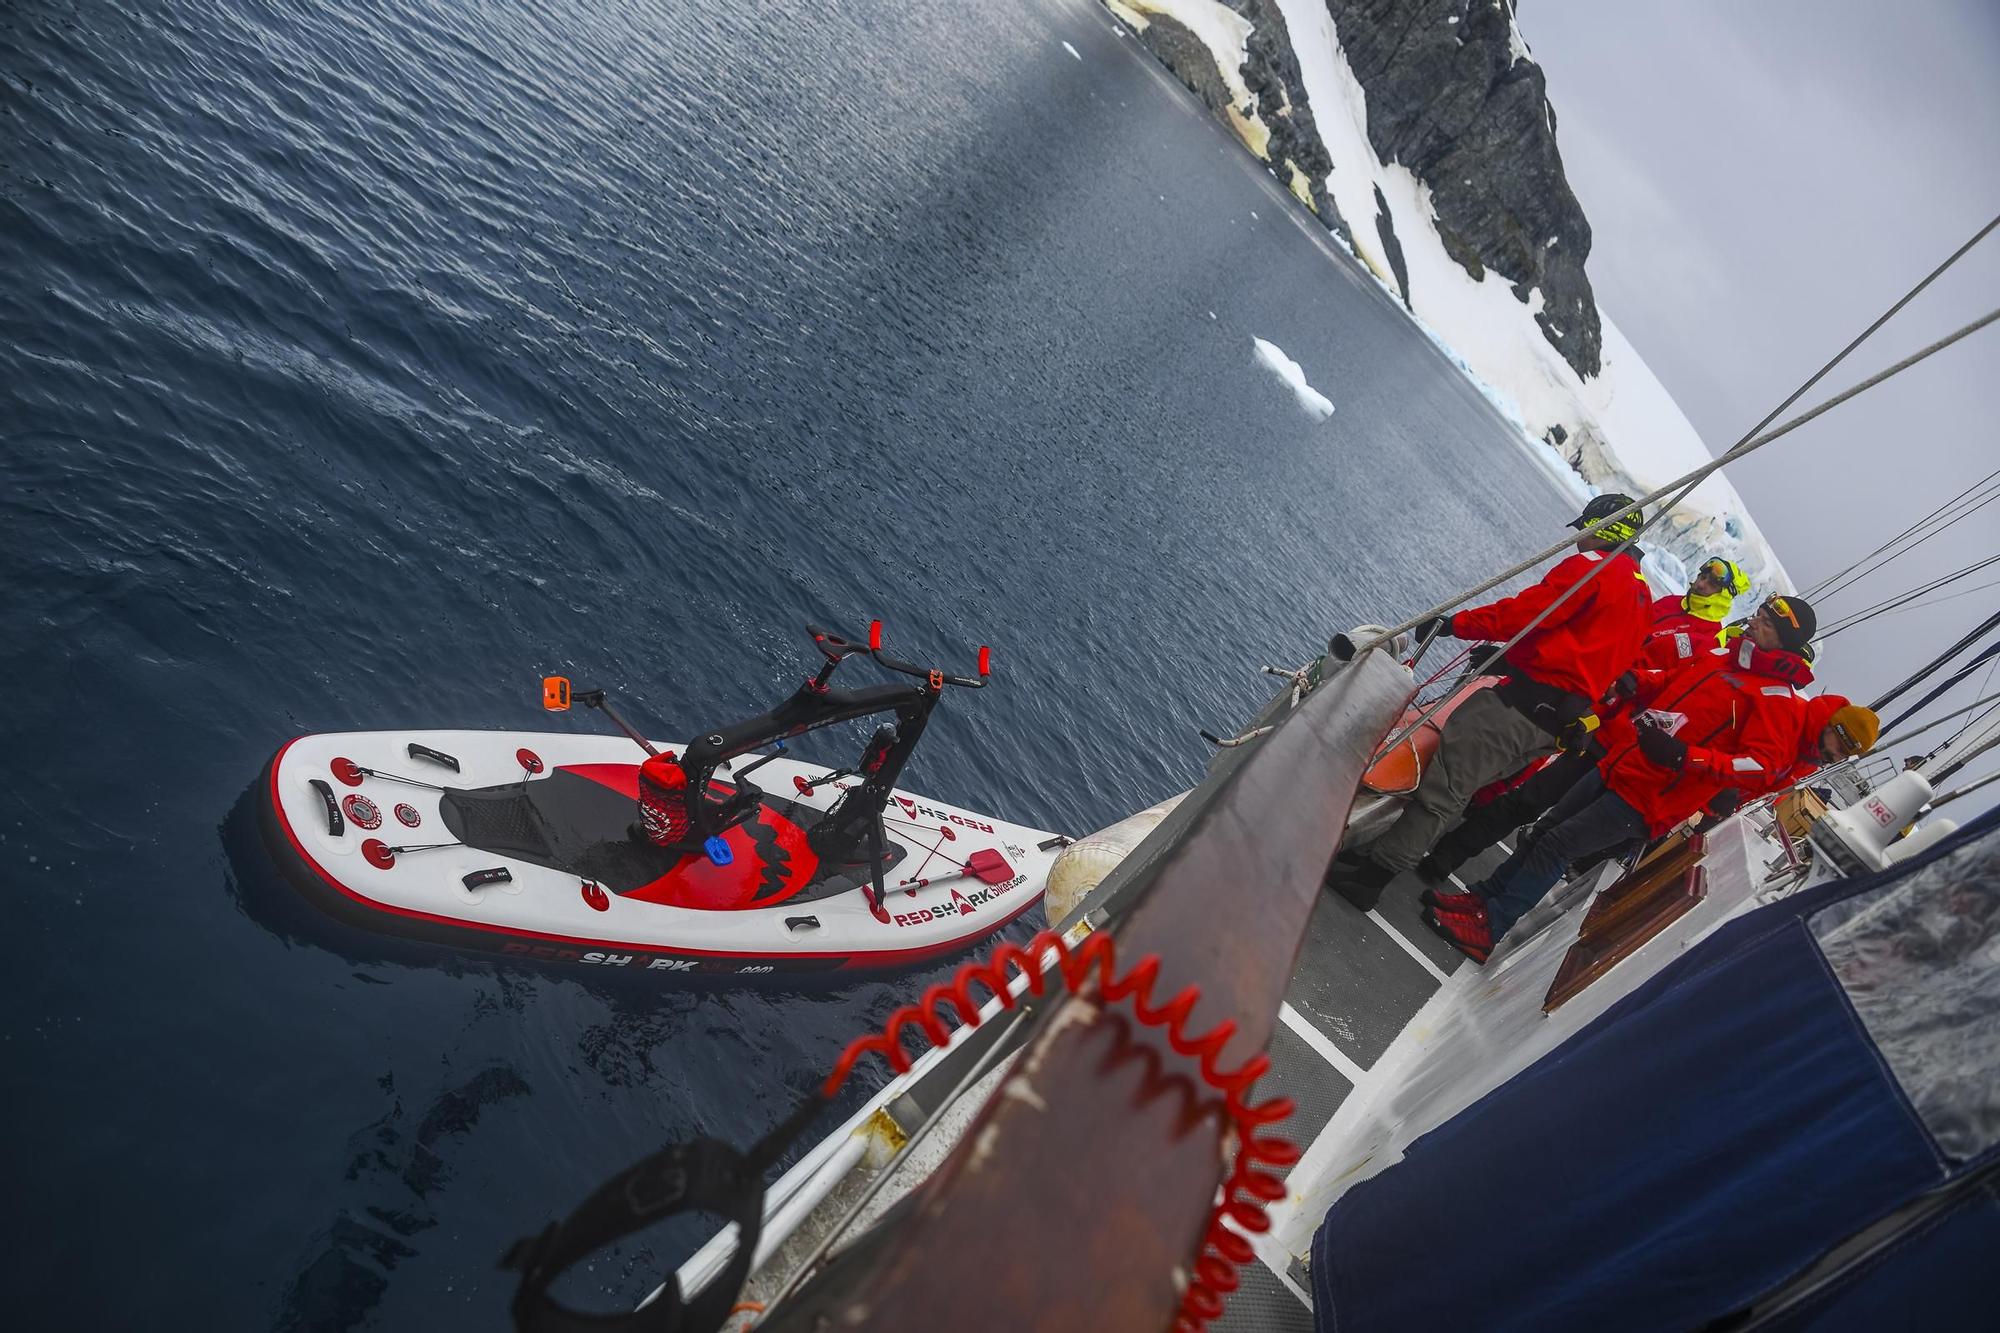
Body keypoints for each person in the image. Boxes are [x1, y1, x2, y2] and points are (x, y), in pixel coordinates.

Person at [1423, 593, 1821, 963]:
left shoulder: (1774, 700)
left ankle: (1491, 926)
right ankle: (1484, 899)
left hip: (1650, 797)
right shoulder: (1723, 656)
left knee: (1559, 844)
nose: (1754, 622)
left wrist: (1685, 756)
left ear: (1785, 640)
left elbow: (1759, 767)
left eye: (1766, 622)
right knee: (1547, 829)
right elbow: (1670, 681)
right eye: (1759, 615)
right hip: (1623, 762)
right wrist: (1639, 681)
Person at [1325, 493, 1654, 909]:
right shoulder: (1643, 597)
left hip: (1519, 708)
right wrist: (1513, 658)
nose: (1580, 539)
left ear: (1605, 529)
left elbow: (1526, 614)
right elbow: (1587, 651)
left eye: (1586, 529)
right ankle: (1373, 859)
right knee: (1458, 786)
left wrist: (1454, 625)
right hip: (1553, 723)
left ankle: (1371, 879)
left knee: (1443, 789)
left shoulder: (1595, 570)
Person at [1418, 557, 1773, 882]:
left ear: (1726, 594)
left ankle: (1472, 881)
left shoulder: (1707, 642)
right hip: (1591, 715)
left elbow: (1673, 694)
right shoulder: (1665, 607)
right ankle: (1443, 856)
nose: (1702, 580)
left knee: (1545, 818)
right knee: (1525, 791)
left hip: (1623, 742)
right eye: (1703, 572)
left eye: (1713, 580)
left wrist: (1634, 683)